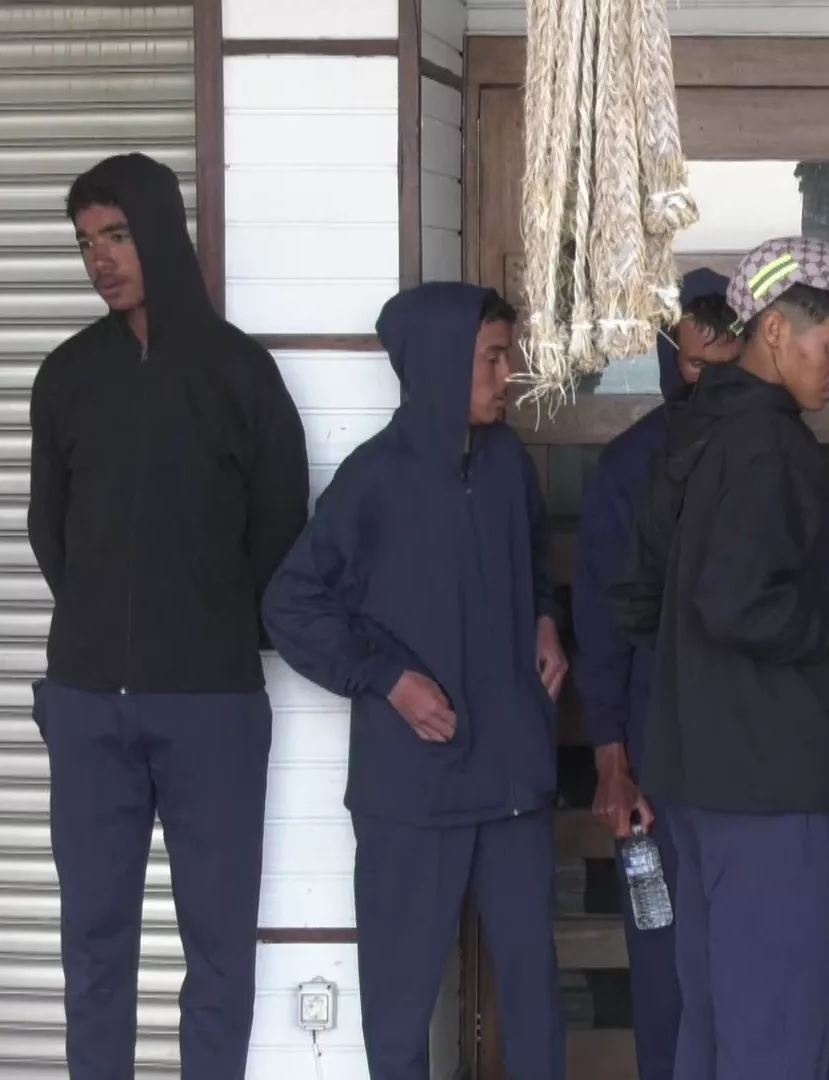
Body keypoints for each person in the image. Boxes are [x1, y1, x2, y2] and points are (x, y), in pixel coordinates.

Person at [26, 153, 309, 1079]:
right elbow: (50, 532)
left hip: (212, 706)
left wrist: (205, 629)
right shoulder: (66, 377)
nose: (99, 259)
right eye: (85, 243)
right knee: (93, 949)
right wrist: (107, 625)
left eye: (115, 235)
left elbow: (280, 532)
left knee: (220, 952)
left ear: (159, 232)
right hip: (87, 703)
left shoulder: (241, 375)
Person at [611, 237, 829, 1080]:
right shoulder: (770, 444)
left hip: (696, 777)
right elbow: (737, 601)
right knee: (775, 1032)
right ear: (775, 330)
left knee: (713, 1025)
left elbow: (639, 599)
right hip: (766, 787)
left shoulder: (693, 432)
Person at [262, 283, 567, 1080]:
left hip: (512, 782)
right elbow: (290, 604)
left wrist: (544, 620)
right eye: (491, 359)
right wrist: (387, 678)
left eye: (506, 355)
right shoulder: (373, 482)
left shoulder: (507, 467)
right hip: (412, 791)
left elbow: (538, 564)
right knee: (398, 1015)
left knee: (535, 1007)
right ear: (436, 365)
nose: (508, 375)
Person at [572, 268, 743, 1080]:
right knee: (665, 956)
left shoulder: (775, 451)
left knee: (758, 964)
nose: (706, 375)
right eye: (696, 357)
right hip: (655, 751)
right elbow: (600, 624)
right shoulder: (629, 466)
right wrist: (610, 753)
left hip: (754, 755)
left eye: (728, 355)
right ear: (675, 358)